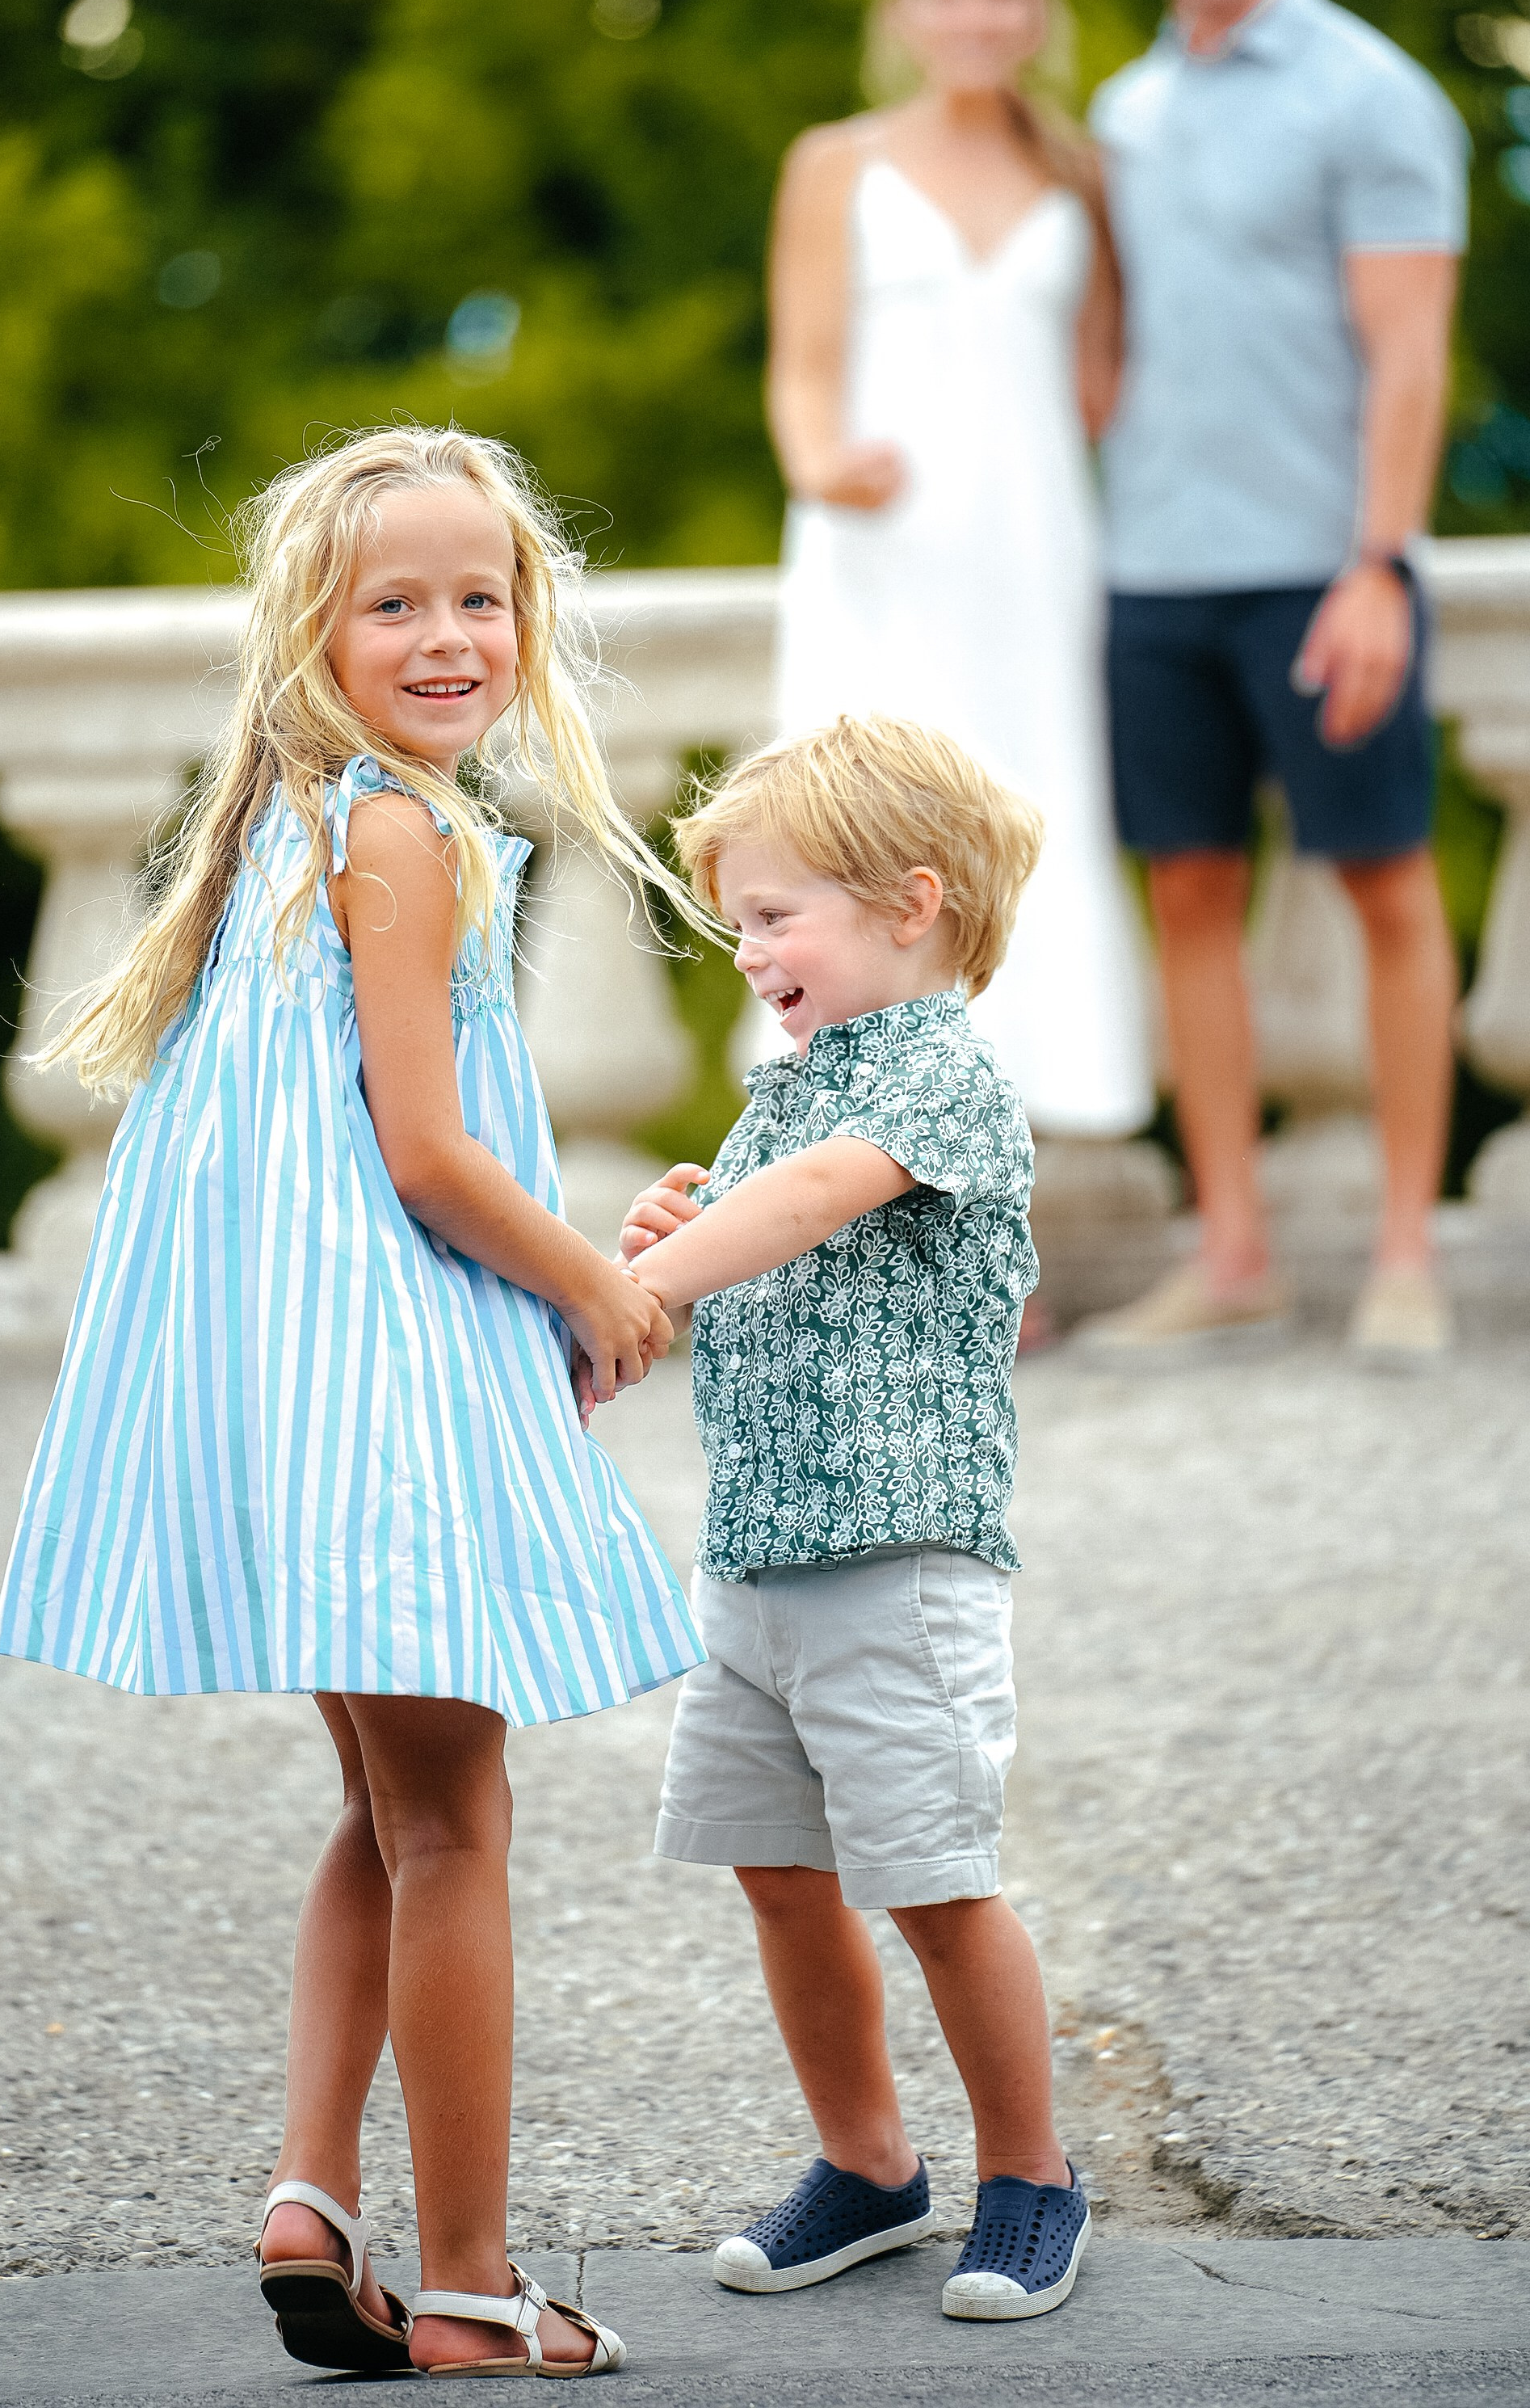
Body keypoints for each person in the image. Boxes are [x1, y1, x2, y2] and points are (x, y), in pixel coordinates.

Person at [0, 426, 709, 2379]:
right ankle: (472, 2285)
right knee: (458, 1828)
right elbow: (421, 1153)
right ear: (314, 633)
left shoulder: (306, 834)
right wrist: (591, 1279)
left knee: (385, 1816)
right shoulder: (400, 834)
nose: (448, 633)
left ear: (528, 615)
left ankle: (313, 2196)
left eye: (480, 595)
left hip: (301, 1397)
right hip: (374, 1395)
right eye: (395, 602)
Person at [618, 715, 1093, 2325]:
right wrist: (675, 1222)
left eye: (774, 915)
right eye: (737, 920)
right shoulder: (793, 1086)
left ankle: (1030, 2172)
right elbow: (770, 1207)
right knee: (776, 1870)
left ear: (912, 903)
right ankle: (870, 2164)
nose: (747, 948)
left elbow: (820, 1199)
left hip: (898, 1563)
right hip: (758, 1559)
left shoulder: (944, 1074)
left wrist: (643, 1281)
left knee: (938, 1880)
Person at [1079, 0, 1468, 1365]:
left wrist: (1373, 564)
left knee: (1383, 887)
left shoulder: (1370, 96)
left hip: (1324, 570)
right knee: (1187, 893)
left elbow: (1410, 351)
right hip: (1154, 572)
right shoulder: (1124, 107)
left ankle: (1401, 1255)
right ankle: (1230, 1248)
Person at [765, 0, 1151, 1155]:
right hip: (883, 552)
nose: (975, 15)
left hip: (1035, 554)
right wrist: (824, 464)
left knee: (1017, 839)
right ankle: (842, 1191)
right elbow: (802, 369)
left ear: (1039, 11)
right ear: (902, 12)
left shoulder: (1080, 174)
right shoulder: (837, 162)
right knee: (862, 844)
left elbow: (1104, 383)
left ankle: (985, 1210)